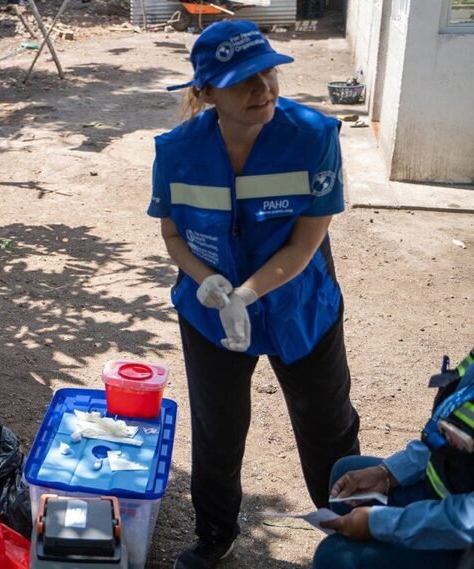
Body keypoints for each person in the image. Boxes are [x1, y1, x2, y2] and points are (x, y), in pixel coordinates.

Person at [148, 21, 361, 568]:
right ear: (206, 92)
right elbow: (172, 233)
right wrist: (208, 281)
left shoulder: (313, 136)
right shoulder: (176, 151)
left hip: (299, 304)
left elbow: (307, 240)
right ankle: (216, 532)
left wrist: (247, 292)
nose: (263, 88)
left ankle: (354, 529)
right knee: (218, 428)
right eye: (243, 80)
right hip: (209, 309)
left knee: (327, 425)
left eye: (268, 71)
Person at [314, 349, 474, 568]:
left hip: (464, 541)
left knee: (333, 556)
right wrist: (388, 473)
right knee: (345, 475)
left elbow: (467, 520)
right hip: (449, 495)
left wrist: (378, 524)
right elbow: (445, 434)